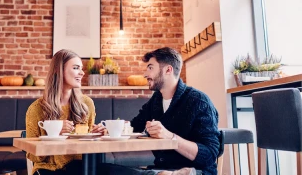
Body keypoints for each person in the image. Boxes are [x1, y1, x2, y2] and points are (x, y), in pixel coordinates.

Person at [99, 47, 219, 175]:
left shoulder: (199, 101)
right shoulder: (156, 100)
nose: (145, 74)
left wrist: (170, 137)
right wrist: (108, 129)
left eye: (150, 68)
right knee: (87, 168)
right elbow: (135, 126)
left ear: (168, 70)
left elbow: (210, 155)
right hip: (161, 170)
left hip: (197, 172)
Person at [26, 49, 105, 175]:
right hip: (48, 169)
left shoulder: (87, 104)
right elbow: (33, 156)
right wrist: (53, 133)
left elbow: (87, 147)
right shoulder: (36, 109)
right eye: (76, 68)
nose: (82, 73)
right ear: (58, 70)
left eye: (81, 68)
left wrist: (97, 136)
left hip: (81, 168)